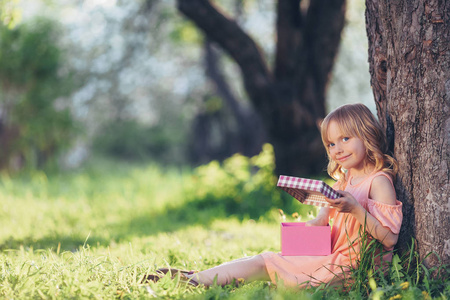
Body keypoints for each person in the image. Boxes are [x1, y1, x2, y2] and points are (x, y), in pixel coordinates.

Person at [147, 103, 403, 288]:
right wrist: (316, 215)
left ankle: (198, 280)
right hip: (334, 257)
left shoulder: (378, 182)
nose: (337, 149)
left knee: (267, 265)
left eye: (345, 138)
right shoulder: (345, 179)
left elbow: (389, 239)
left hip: (355, 269)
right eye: (331, 144)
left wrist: (356, 209)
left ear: (366, 134)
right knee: (269, 260)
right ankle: (200, 277)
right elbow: (323, 223)